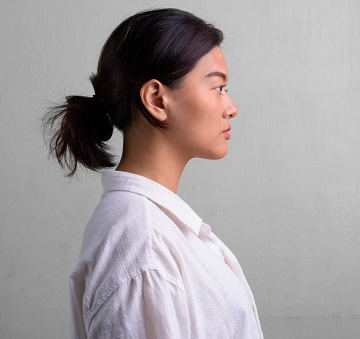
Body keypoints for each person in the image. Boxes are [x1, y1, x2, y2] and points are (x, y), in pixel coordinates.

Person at [44, 8, 263, 339]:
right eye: (217, 88)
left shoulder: (147, 227)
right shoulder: (142, 242)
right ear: (157, 99)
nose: (230, 107)